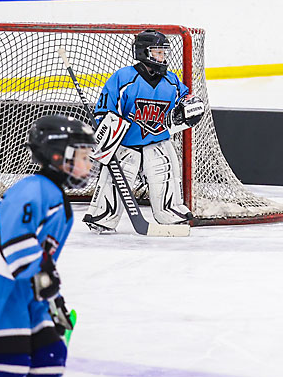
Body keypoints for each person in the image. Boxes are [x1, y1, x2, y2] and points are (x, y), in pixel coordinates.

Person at [0, 114, 95, 377]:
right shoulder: (32, 189)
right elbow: (16, 240)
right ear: (58, 155)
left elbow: (42, 257)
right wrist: (43, 278)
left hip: (28, 295)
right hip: (2, 291)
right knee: (12, 362)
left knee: (51, 357)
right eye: (82, 156)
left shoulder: (55, 195)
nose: (89, 163)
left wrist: (52, 297)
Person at [83, 29, 206, 233]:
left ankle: (169, 210)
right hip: (126, 144)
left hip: (157, 141)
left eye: (164, 52)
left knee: (165, 172)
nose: (163, 56)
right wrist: (108, 138)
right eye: (158, 52)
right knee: (115, 178)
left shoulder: (170, 80)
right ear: (144, 53)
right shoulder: (124, 78)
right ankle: (103, 214)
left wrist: (191, 106)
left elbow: (185, 98)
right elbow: (104, 110)